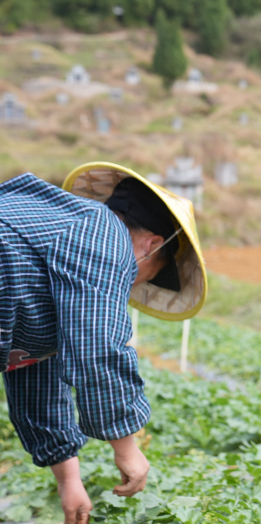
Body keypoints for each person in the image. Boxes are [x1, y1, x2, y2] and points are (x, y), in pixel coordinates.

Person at [1, 163, 208, 524]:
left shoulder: (65, 256)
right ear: (150, 246)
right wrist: (127, 448)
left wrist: (68, 478)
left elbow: (35, 368)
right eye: (147, 275)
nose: (130, 285)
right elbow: (98, 348)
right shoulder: (103, 231)